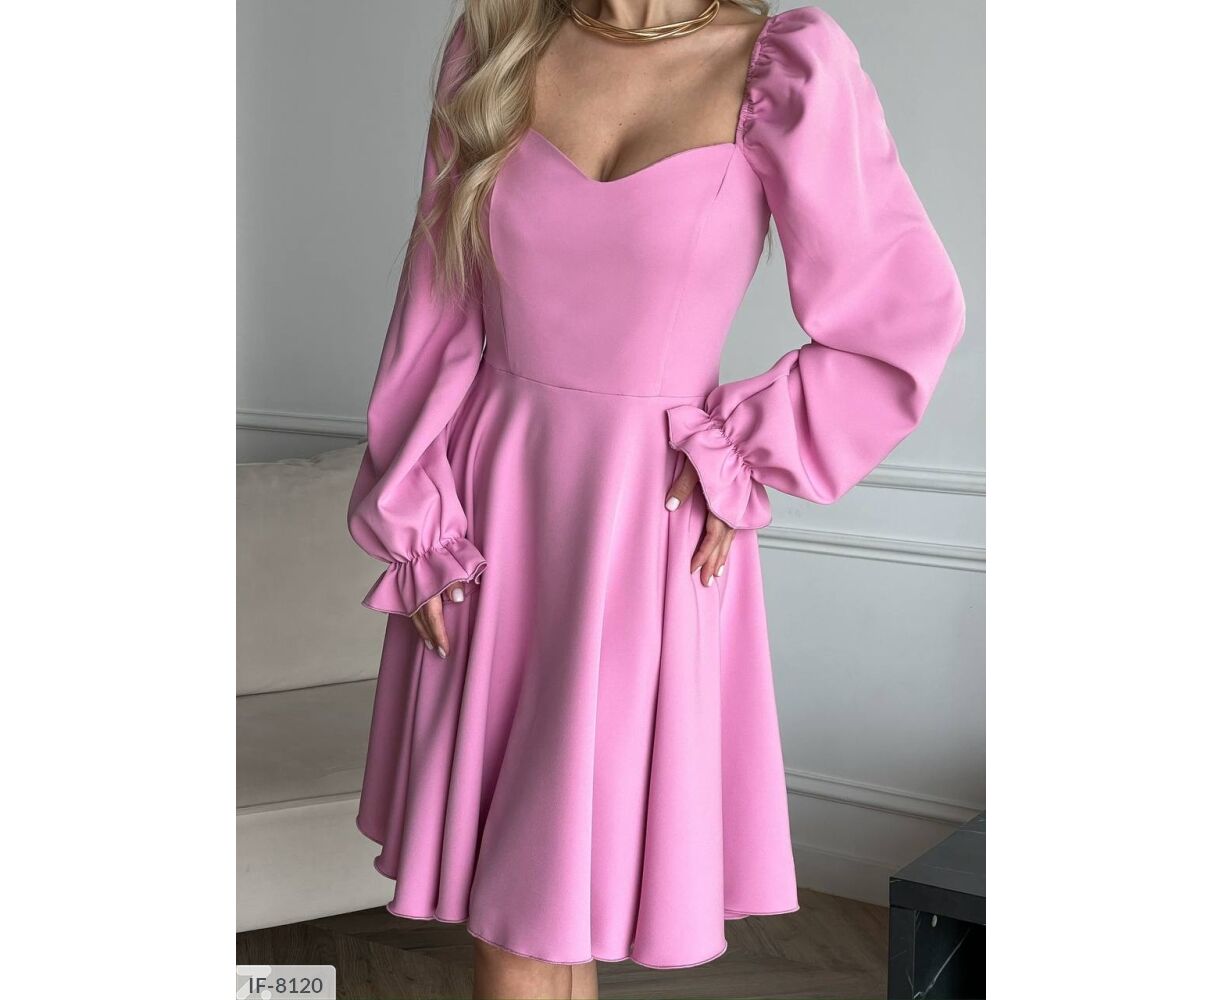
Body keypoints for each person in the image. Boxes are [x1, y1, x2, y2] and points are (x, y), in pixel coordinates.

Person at [347, 2, 965, 997]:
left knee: (540, 908)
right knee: (529, 918)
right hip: (483, 515)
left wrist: (744, 451)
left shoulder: (783, 69)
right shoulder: (496, 43)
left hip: (648, 524)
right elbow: (436, 307)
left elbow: (901, 319)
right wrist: (415, 518)